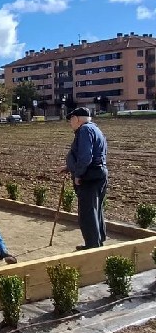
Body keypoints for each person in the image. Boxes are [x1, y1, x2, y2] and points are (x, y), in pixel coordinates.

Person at [61, 107, 108, 250]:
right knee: (95, 209)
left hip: (89, 176)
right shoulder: (95, 129)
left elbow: (86, 157)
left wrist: (78, 174)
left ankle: (92, 246)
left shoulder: (84, 130)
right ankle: (98, 240)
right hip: (98, 173)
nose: (70, 123)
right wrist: (69, 167)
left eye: (71, 119)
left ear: (76, 119)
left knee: (87, 212)